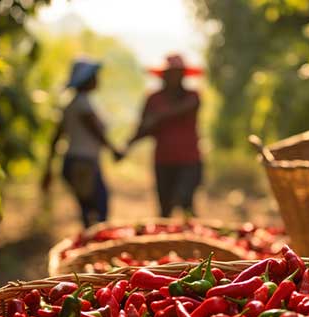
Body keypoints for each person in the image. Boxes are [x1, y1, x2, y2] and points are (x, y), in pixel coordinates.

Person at [42, 59, 122, 227]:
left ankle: (90, 243)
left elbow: (56, 137)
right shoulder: (82, 104)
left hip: (74, 162)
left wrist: (48, 168)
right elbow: (97, 132)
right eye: (95, 77)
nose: (98, 80)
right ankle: (95, 245)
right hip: (83, 163)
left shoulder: (71, 104)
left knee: (88, 208)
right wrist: (115, 150)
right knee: (99, 209)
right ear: (87, 80)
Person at [125, 54, 203, 217]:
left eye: (178, 72)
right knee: (165, 209)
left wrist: (157, 118)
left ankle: (192, 240)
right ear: (164, 75)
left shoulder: (192, 96)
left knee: (184, 200)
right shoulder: (153, 98)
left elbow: (178, 111)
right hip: (164, 162)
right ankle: (165, 241)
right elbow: (143, 128)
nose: (175, 76)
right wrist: (127, 146)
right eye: (171, 73)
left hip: (190, 161)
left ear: (183, 74)